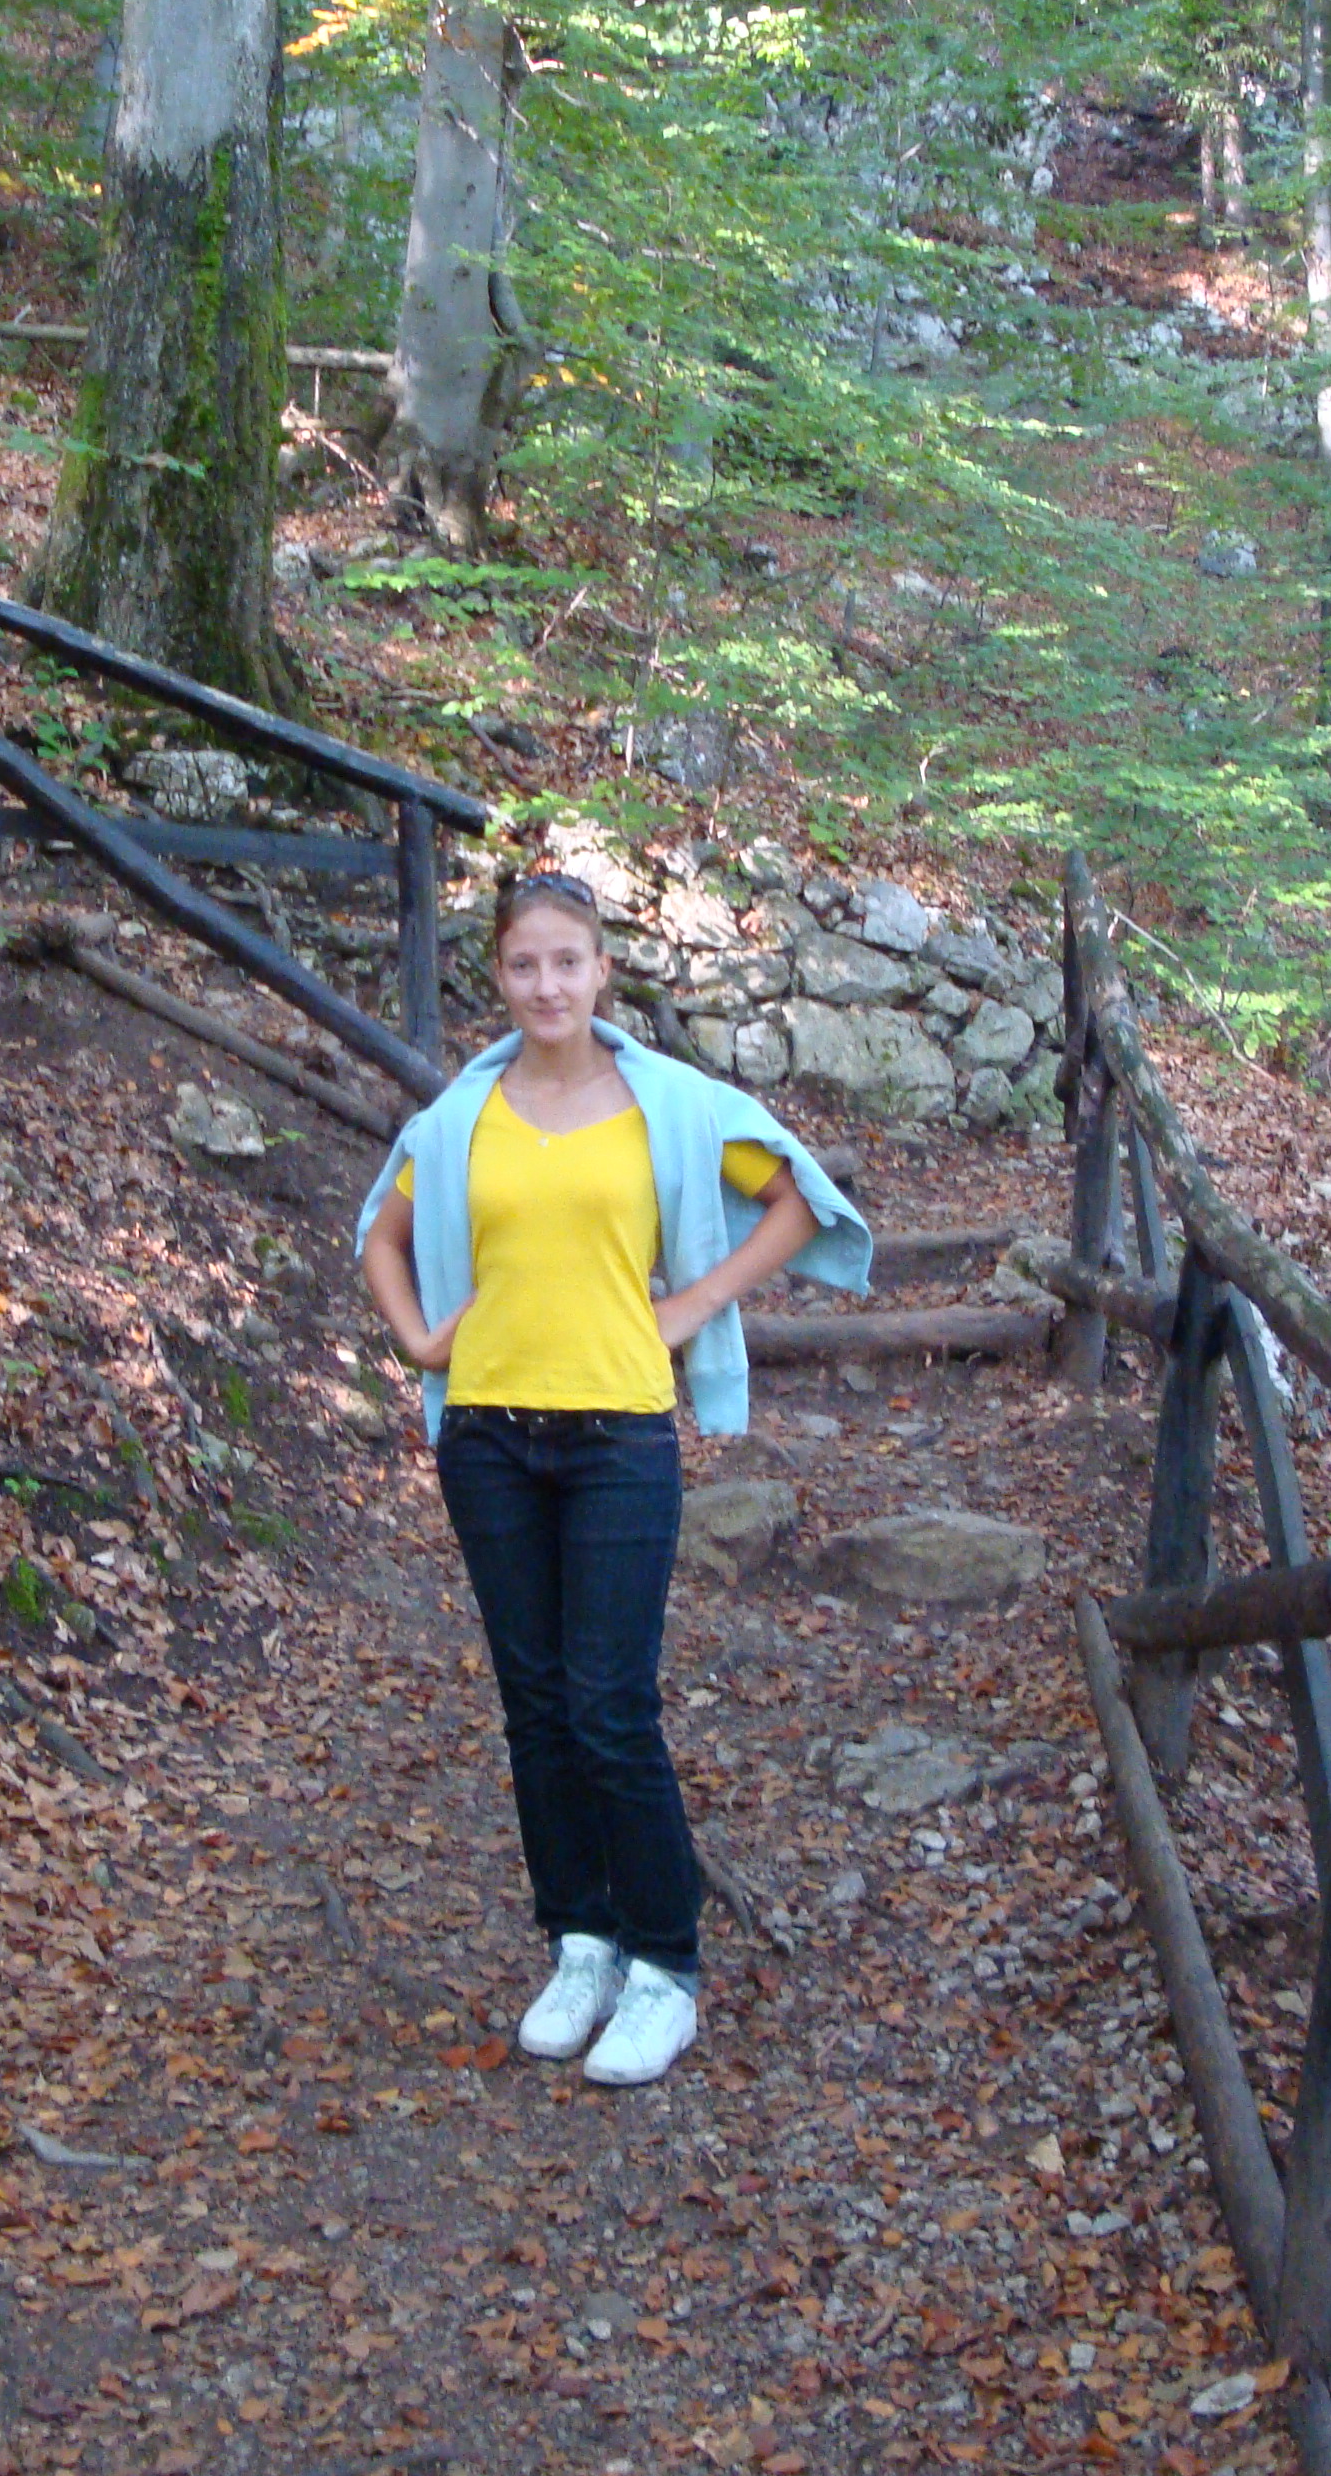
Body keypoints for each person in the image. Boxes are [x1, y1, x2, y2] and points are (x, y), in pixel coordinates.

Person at [357, 866, 870, 2087]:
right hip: (487, 1435)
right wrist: (419, 1341)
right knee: (534, 1704)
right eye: (524, 964)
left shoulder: (671, 1106)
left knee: (610, 1704)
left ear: (602, 971)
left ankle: (665, 1967)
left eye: (567, 962)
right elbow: (382, 1232)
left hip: (617, 1440)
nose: (547, 985)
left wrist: (691, 1306)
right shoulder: (460, 1118)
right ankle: (578, 1942)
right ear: (499, 975)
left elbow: (799, 1201)